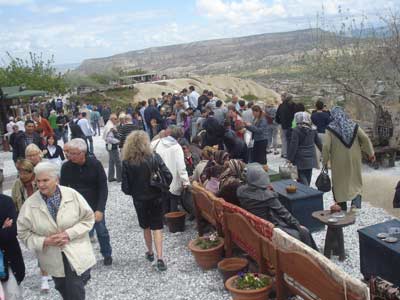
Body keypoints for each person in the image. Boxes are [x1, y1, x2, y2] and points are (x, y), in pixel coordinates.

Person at [17, 162, 96, 300]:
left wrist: (68, 234)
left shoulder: (72, 195)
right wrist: (45, 241)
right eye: (38, 181)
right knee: (62, 286)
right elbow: (23, 233)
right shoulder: (30, 204)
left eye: (45, 180)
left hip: (75, 250)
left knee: (75, 289)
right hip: (52, 256)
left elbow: (88, 218)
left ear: (56, 179)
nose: (41, 185)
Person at [121, 131, 172, 271]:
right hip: (156, 197)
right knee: (157, 227)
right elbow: (168, 176)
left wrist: (135, 192)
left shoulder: (127, 162)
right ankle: (160, 257)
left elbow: (125, 188)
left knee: (146, 226)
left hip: (139, 200)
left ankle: (150, 252)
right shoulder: (154, 157)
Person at [237, 163, 318, 250]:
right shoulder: (267, 196)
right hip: (271, 228)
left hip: (256, 226)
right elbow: (284, 213)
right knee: (304, 232)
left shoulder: (240, 191)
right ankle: (313, 256)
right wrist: (298, 226)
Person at [60, 138, 113, 266]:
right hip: (76, 206)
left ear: (82, 153)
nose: (69, 156)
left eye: (73, 153)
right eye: (69, 153)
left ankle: (107, 254)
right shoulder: (66, 167)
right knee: (80, 234)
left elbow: (103, 187)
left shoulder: (95, 165)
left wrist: (100, 208)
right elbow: (63, 189)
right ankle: (84, 257)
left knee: (102, 231)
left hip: (94, 204)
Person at [322, 107, 375, 211]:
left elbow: (325, 147)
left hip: (338, 161)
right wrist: (370, 153)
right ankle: (355, 204)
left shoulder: (330, 129)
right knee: (355, 180)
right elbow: (364, 138)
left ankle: (341, 207)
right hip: (354, 159)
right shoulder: (353, 125)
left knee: (339, 183)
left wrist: (324, 161)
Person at [151, 126, 190, 213]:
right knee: (173, 201)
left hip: (159, 177)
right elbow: (181, 166)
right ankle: (173, 220)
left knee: (163, 199)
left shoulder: (156, 143)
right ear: (178, 137)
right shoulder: (177, 147)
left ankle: (164, 218)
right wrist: (185, 181)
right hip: (173, 179)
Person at [0, 194, 25, 299]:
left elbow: (12, 231)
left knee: (12, 294)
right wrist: (2, 228)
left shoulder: (5, 201)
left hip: (7, 260)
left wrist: (4, 230)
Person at [288, 112, 322, 186]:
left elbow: (294, 146)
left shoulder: (296, 130)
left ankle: (306, 193)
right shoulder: (313, 129)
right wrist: (325, 153)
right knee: (308, 176)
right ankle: (307, 191)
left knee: (301, 178)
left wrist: (290, 158)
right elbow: (319, 143)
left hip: (300, 159)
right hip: (311, 157)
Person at [275, 93, 296, 158]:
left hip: (283, 125)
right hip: (292, 126)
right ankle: (289, 153)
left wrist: (279, 122)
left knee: (284, 139)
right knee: (291, 140)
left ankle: (284, 153)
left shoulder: (281, 106)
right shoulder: (294, 106)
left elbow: (277, 115)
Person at [104, 115, 122, 182]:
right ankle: (119, 178)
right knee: (118, 162)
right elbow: (109, 138)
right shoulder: (110, 127)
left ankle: (111, 177)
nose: (117, 120)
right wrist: (118, 141)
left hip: (109, 146)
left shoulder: (109, 124)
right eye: (115, 119)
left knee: (111, 162)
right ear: (112, 119)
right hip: (112, 146)